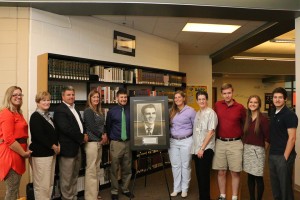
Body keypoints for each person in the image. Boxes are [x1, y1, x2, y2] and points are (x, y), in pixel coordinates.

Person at [53, 86, 88, 200]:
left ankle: (73, 196)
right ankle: (67, 198)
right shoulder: (60, 110)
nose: (71, 97)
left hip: (77, 147)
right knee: (66, 178)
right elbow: (66, 129)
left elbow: (79, 125)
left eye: (73, 94)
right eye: (68, 95)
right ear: (63, 96)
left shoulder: (75, 108)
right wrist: (82, 137)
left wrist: (83, 134)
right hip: (67, 149)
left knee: (74, 176)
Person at [212, 83, 246, 200]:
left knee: (235, 172)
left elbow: (246, 123)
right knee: (221, 171)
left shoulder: (240, 107)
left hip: (235, 143)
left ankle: (234, 197)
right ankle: (222, 195)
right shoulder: (217, 105)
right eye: (225, 93)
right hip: (220, 142)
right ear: (222, 94)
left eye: (229, 93)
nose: (227, 95)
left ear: (233, 92)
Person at [0, 86, 32, 200]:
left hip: (18, 153)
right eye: (15, 95)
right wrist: (23, 153)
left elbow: (22, 135)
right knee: (12, 189)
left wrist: (25, 151)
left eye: (20, 94)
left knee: (14, 188)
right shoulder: (6, 113)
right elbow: (8, 139)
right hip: (11, 154)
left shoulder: (18, 112)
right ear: (9, 97)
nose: (18, 97)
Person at [29, 91, 59, 200]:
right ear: (37, 102)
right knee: (42, 185)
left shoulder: (48, 116)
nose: (47, 102)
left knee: (49, 183)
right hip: (41, 155)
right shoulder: (35, 117)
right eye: (43, 100)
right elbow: (39, 136)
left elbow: (53, 133)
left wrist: (57, 144)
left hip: (50, 154)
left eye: (48, 100)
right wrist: (53, 146)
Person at [269, 87, 298, 200]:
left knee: (285, 188)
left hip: (284, 155)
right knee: (275, 187)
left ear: (285, 99)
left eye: (280, 97)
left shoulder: (289, 115)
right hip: (272, 154)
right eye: (275, 97)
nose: (277, 99)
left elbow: (292, 138)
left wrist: (284, 158)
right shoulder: (273, 112)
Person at [106, 88, 134, 200]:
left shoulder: (130, 110)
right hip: (116, 143)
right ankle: (114, 191)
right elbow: (108, 127)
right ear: (117, 98)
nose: (123, 99)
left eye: (125, 97)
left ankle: (125, 189)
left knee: (127, 168)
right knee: (114, 168)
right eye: (121, 97)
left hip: (128, 143)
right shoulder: (111, 112)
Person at [169, 90, 196, 198]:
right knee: (175, 165)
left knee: (186, 165)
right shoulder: (171, 111)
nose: (177, 99)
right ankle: (176, 188)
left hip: (186, 141)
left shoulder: (191, 111)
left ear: (184, 98)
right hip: (173, 142)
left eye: (179, 97)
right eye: (175, 98)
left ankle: (184, 189)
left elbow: (195, 127)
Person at [191, 90, 218, 200]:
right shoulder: (198, 113)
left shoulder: (211, 113)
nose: (201, 101)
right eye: (199, 99)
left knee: (204, 176)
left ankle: (205, 198)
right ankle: (202, 197)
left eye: (203, 99)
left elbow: (211, 132)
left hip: (205, 149)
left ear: (206, 100)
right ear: (197, 101)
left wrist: (202, 148)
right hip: (197, 149)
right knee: (199, 176)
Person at [242, 95, 269, 200]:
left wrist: (261, 152)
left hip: (258, 151)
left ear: (259, 105)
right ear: (248, 104)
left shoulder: (263, 119)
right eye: (251, 102)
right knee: (250, 177)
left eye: (255, 102)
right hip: (247, 150)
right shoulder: (247, 118)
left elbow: (267, 139)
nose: (252, 104)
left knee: (258, 177)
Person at [83, 90, 108, 200]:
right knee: (91, 170)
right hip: (92, 143)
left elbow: (103, 125)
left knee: (97, 169)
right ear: (90, 98)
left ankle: (95, 193)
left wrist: (104, 135)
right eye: (94, 97)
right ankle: (90, 197)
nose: (96, 99)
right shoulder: (88, 111)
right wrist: (102, 136)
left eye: (98, 97)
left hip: (99, 143)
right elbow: (92, 127)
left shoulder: (100, 111)